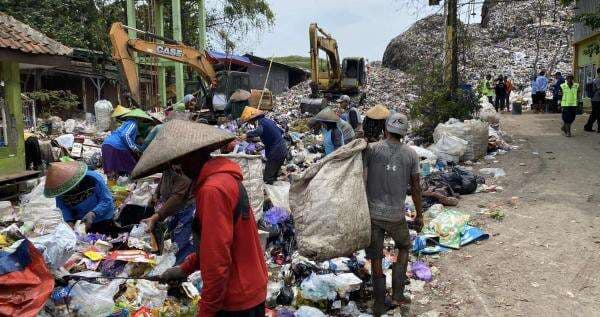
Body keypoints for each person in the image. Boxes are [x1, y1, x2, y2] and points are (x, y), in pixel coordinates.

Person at [130, 120, 267, 316]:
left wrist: (207, 310)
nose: (177, 169)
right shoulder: (224, 178)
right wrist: (185, 268)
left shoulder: (212, 190)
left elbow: (217, 260)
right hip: (251, 286)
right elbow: (217, 244)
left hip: (236, 297)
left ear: (190, 158)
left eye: (177, 163)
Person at [363, 113, 423, 316]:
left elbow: (360, 177)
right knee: (404, 246)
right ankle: (398, 293)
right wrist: (419, 214)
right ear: (404, 133)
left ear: (386, 130)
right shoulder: (411, 154)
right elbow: (416, 187)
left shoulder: (371, 150)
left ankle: (379, 303)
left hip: (373, 214)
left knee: (376, 257)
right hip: (396, 215)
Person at [141, 164, 195, 264]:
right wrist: (156, 194)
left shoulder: (180, 170)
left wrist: (156, 216)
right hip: (173, 212)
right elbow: (163, 180)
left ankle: (181, 270)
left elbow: (178, 197)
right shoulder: (167, 168)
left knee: (181, 246)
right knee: (172, 242)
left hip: (185, 212)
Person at [44, 161, 115, 234]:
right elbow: (63, 207)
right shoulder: (60, 188)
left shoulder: (93, 179)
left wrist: (93, 213)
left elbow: (106, 200)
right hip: (80, 220)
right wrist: (69, 221)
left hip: (102, 218)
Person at [240, 106, 287, 184]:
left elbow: (259, 131)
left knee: (267, 178)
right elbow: (280, 132)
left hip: (276, 152)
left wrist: (247, 135)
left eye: (248, 121)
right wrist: (264, 142)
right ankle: (275, 192)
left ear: (252, 119)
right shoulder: (268, 120)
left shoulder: (259, 122)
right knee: (273, 176)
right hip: (282, 149)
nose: (249, 123)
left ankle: (271, 194)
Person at [102, 109, 154, 177]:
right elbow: (125, 135)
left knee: (111, 169)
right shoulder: (133, 123)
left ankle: (112, 184)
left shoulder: (126, 122)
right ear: (139, 118)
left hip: (106, 144)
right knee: (131, 166)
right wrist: (133, 148)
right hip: (117, 146)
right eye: (142, 119)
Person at [584, 68, 600, 132]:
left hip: (594, 99)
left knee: (595, 114)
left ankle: (588, 127)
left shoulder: (595, 79)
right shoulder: (599, 80)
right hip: (598, 99)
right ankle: (590, 127)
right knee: (597, 114)